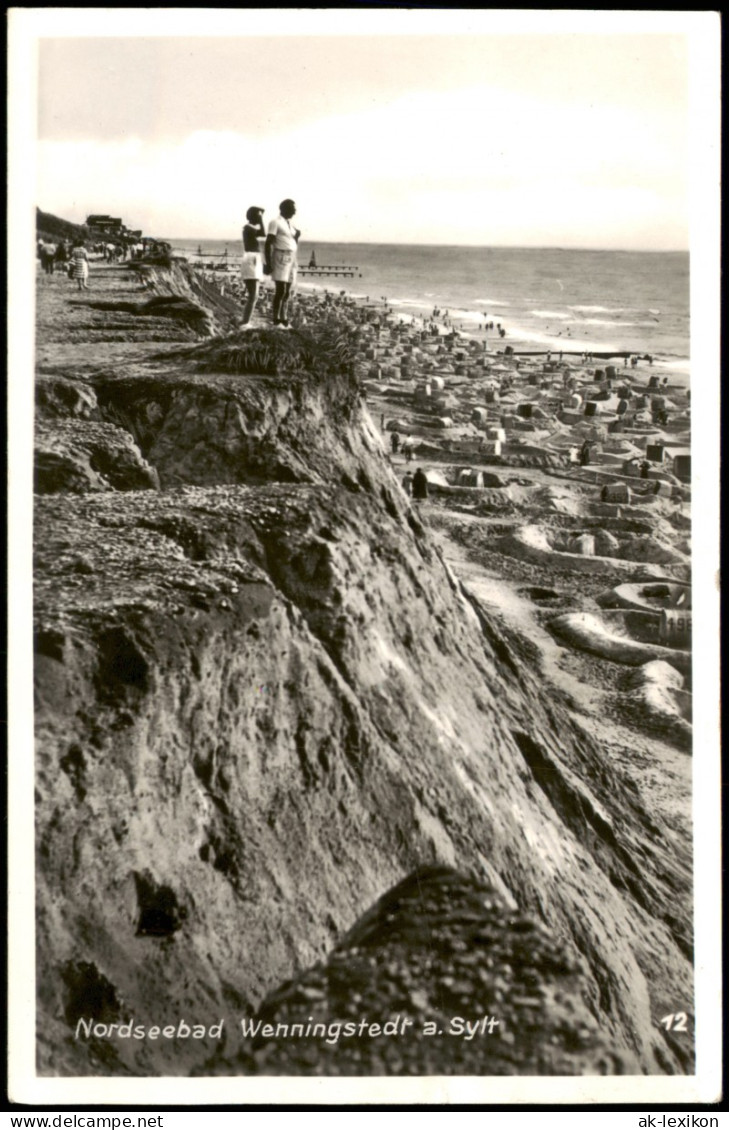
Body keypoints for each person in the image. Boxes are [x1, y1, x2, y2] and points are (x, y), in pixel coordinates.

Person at [265, 199, 300, 327]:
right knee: (281, 289)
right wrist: (268, 263)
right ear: (285, 208)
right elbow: (268, 243)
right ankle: (276, 318)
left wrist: (296, 237)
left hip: (291, 257)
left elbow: (291, 240)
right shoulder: (275, 222)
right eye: (292, 208)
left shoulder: (288, 224)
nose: (295, 211)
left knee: (288, 290)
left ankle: (283, 317)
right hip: (281, 256)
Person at [239, 206, 266, 327]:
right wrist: (261, 218)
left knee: (254, 295)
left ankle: (245, 321)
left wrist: (260, 216)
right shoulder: (248, 228)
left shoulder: (249, 228)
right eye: (258, 215)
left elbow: (262, 233)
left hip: (254, 258)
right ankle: (245, 322)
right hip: (251, 258)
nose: (259, 218)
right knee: (253, 294)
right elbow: (263, 233)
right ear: (253, 216)